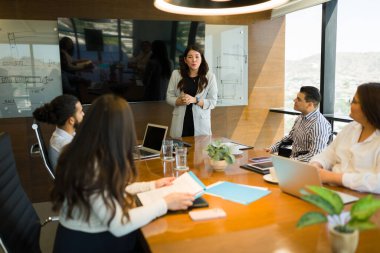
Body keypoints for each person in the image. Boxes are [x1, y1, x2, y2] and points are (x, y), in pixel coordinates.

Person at [51, 94, 194, 253]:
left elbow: (108, 191)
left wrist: (152, 185)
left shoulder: (87, 151)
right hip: (88, 243)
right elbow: (119, 224)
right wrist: (165, 203)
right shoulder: (90, 166)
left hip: (84, 236)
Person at [310, 83, 380, 194]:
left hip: (363, 197)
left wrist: (333, 177)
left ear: (370, 107)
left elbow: (377, 183)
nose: (350, 104)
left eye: (354, 101)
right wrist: (316, 165)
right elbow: (329, 153)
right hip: (333, 190)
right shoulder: (350, 128)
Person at [266, 86, 331, 162]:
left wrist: (291, 161)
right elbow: (290, 137)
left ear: (310, 104)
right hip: (294, 163)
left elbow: (315, 155)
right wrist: (272, 149)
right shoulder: (300, 117)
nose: (294, 100)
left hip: (306, 167)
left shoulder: (318, 125)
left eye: (299, 99)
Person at [166, 44, 218, 138]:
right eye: (190, 57)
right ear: (185, 60)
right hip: (180, 122)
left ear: (201, 59)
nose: (194, 60)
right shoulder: (176, 74)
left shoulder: (210, 77)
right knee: (179, 151)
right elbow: (169, 97)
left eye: (197, 57)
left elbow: (213, 102)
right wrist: (179, 101)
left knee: (199, 151)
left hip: (200, 124)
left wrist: (195, 100)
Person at [33, 94, 84, 168]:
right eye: (80, 112)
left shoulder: (61, 135)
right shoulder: (67, 146)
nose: (83, 114)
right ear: (71, 120)